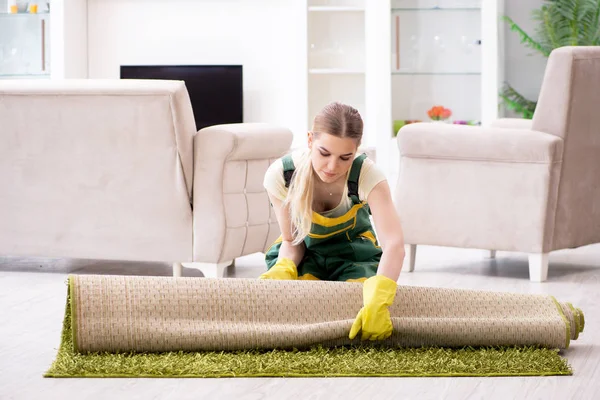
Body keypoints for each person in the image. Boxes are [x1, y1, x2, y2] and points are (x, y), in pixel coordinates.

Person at [260, 102, 406, 341]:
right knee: (295, 309)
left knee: (353, 306)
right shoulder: (283, 176)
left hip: (355, 257)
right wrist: (284, 270)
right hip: (307, 253)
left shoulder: (368, 176)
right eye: (324, 153)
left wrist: (379, 297)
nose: (332, 167)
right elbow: (292, 240)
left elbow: (394, 245)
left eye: (345, 158)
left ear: (356, 151)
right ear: (310, 140)